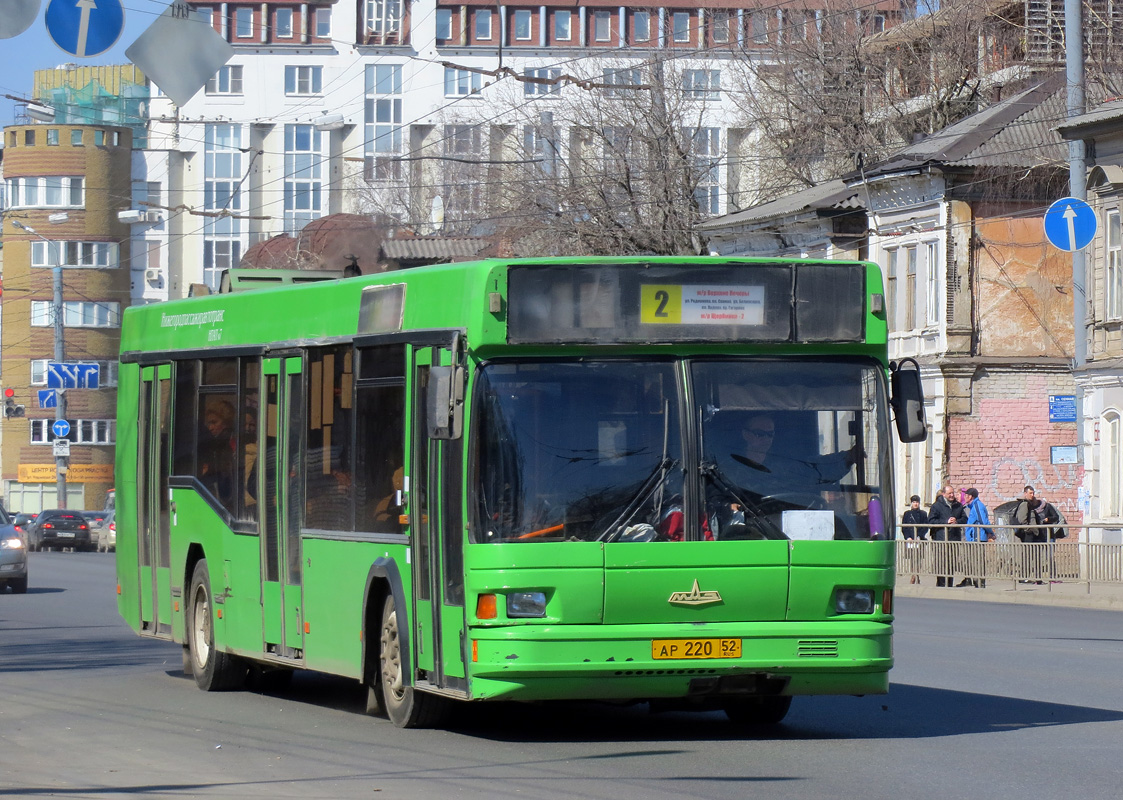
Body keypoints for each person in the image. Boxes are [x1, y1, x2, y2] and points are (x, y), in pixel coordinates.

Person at [926, 485, 962, 587]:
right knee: (941, 562)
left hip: (954, 538)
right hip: (940, 538)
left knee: (952, 562)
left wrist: (957, 521)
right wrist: (946, 522)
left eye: (952, 493)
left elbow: (964, 519)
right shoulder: (936, 506)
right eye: (949, 493)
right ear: (944, 494)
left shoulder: (958, 506)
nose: (952, 495)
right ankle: (941, 583)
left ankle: (949, 583)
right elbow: (931, 521)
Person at [1011, 485, 1048, 583]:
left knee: (1035, 556)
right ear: (1025, 493)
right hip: (1028, 534)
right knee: (1027, 556)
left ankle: (1037, 578)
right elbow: (1022, 519)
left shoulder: (1030, 504)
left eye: (1033, 493)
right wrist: (1029, 529)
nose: (1032, 495)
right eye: (1030, 493)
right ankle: (1024, 577)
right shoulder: (1024, 504)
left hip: (1032, 534)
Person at [959, 487, 991, 587]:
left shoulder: (977, 505)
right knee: (973, 559)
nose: (965, 498)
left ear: (970, 497)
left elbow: (983, 521)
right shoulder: (973, 506)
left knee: (978, 560)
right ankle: (976, 581)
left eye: (966, 496)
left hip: (977, 537)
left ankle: (980, 582)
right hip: (973, 537)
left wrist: (990, 533)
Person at [901, 494, 928, 584]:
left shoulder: (923, 514)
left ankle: (916, 574)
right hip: (910, 540)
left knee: (919, 558)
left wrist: (919, 536)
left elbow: (925, 527)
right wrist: (908, 537)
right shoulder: (907, 514)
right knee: (912, 558)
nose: (915, 504)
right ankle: (913, 574)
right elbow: (904, 527)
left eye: (917, 502)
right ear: (911, 503)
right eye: (914, 502)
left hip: (919, 540)